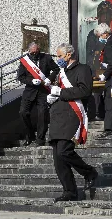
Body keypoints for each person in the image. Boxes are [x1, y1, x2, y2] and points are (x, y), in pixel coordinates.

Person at [47, 43, 98, 202]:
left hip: (72, 116)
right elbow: (57, 91)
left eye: (60, 56)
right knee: (58, 160)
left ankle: (89, 172)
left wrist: (61, 92)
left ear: (69, 55)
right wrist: (51, 98)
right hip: (57, 117)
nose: (59, 59)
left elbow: (85, 90)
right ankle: (70, 191)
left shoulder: (82, 69)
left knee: (64, 152)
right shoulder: (59, 72)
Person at [17, 42, 59, 146]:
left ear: (38, 50)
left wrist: (50, 79)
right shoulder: (25, 61)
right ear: (29, 51)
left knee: (42, 115)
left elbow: (56, 69)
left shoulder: (46, 58)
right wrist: (31, 81)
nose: (35, 54)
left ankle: (40, 139)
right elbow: (21, 77)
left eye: (36, 52)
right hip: (30, 91)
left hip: (43, 91)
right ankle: (30, 135)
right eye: (33, 52)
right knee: (23, 112)